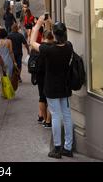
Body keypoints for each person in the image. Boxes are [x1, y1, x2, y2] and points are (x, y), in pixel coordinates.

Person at [31, 18, 74, 159]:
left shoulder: (48, 50)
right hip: (65, 86)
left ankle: (57, 147)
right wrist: (50, 24)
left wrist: (38, 25)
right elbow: (58, 39)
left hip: (51, 87)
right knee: (67, 116)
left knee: (56, 116)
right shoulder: (69, 46)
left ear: (54, 35)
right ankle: (68, 147)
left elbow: (32, 43)